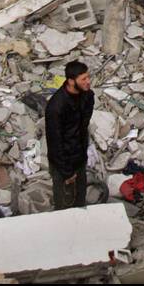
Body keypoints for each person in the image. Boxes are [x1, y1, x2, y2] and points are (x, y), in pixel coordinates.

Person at [45, 61, 94, 210]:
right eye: (83, 79)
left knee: (80, 202)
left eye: (88, 77)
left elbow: (83, 127)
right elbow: (55, 143)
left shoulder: (88, 96)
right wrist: (67, 172)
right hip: (62, 164)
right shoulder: (56, 106)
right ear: (71, 81)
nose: (88, 82)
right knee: (63, 205)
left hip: (79, 158)